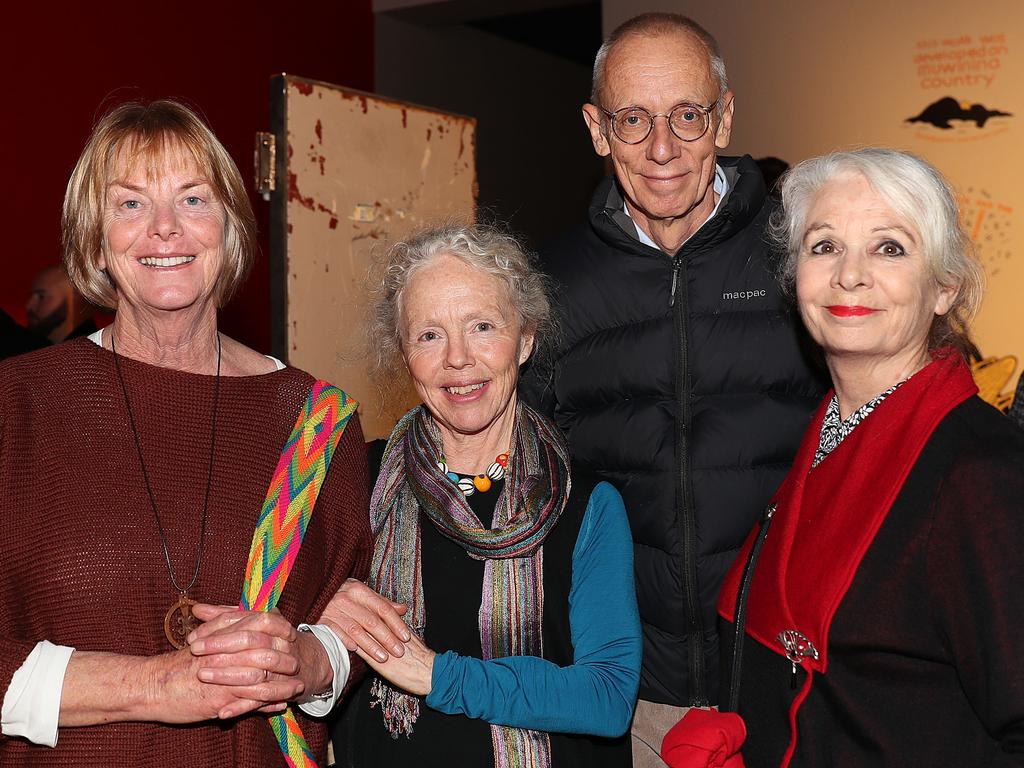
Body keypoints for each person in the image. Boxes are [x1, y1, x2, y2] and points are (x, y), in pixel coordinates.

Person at [0, 99, 371, 765]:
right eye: (131, 204)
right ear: (93, 239)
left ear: (229, 228)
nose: (165, 229)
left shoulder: (317, 421)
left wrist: (310, 662)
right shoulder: (15, 405)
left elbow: (352, 628)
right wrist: (152, 686)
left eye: (193, 200)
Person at [518, 13, 826, 765]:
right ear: (597, 129)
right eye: (633, 120)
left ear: (724, 117)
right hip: (628, 701)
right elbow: (519, 474)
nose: (662, 149)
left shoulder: (803, 258)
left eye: (687, 116)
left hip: (791, 688)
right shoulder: (546, 286)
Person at [664, 148, 1024, 767]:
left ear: (944, 289)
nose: (849, 275)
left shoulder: (981, 476)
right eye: (824, 246)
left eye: (889, 248)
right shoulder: (826, 436)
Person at [318, 223, 642, 767]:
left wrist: (436, 674)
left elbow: (607, 698)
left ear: (526, 339)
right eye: (429, 335)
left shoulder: (586, 504)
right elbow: (279, 612)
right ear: (404, 353)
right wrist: (317, 602)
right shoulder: (355, 480)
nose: (458, 359)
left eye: (483, 326)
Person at [25, 264, 97, 344]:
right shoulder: (29, 344)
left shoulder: (90, 350)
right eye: (30, 296)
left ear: (73, 300)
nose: (29, 306)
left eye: (41, 296)